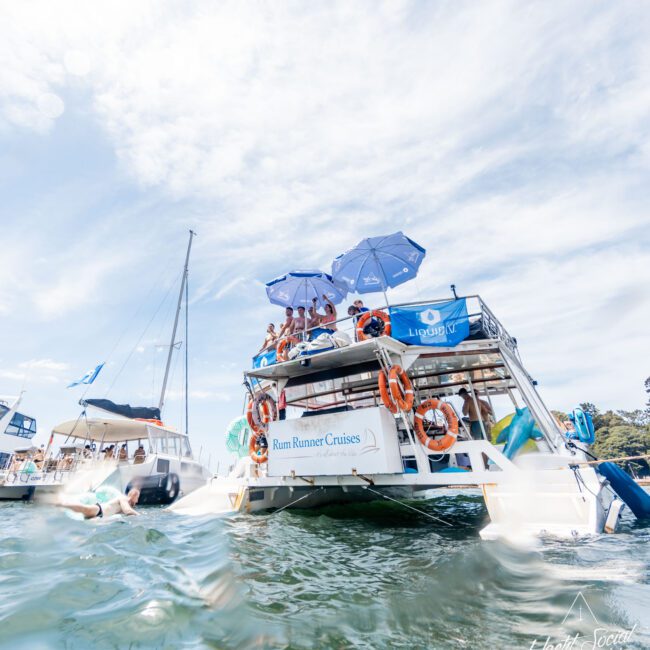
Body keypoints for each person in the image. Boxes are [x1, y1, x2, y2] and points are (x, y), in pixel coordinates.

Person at [59, 488, 141, 519]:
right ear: (134, 495)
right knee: (84, 509)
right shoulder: (123, 498)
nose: (137, 501)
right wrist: (140, 516)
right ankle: (61, 504)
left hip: (100, 516)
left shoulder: (126, 502)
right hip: (100, 510)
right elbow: (128, 511)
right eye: (137, 498)